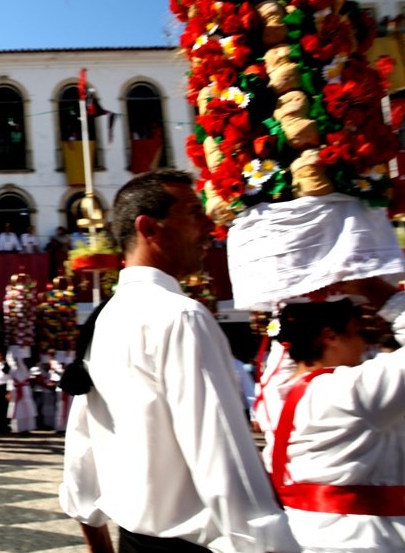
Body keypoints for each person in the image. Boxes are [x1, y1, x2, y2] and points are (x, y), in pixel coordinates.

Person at [60, 169, 299, 552]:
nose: (209, 228)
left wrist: (93, 530)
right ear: (149, 229)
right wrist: (268, 543)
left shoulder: (103, 318)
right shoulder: (180, 316)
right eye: (193, 213)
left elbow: (81, 446)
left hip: (136, 541)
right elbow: (222, 456)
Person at [256, 295, 405, 552]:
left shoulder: (275, 392)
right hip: (363, 540)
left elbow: (283, 349)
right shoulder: (349, 390)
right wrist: (387, 295)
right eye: (358, 332)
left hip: (300, 533)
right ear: (330, 336)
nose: (363, 344)